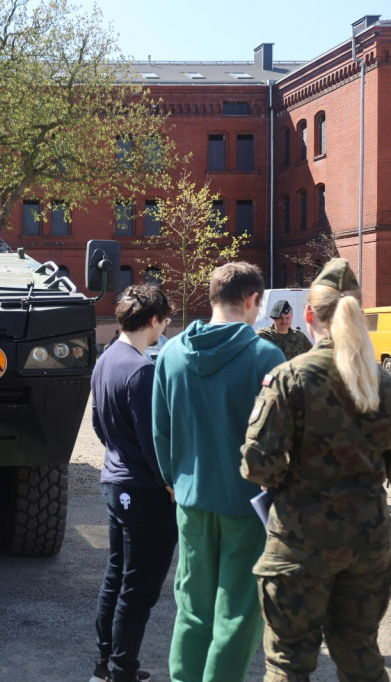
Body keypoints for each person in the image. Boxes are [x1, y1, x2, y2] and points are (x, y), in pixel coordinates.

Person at [241, 258, 391, 681]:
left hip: (300, 542)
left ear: (309, 315)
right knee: (362, 658)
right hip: (367, 541)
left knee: (288, 663)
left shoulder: (290, 378)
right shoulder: (381, 382)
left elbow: (257, 465)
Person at [152, 262, 285, 682]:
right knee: (239, 613)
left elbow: (161, 430)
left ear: (211, 297)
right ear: (251, 300)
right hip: (248, 505)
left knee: (192, 607)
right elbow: (281, 439)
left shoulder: (171, 353)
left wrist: (173, 481)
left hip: (190, 500)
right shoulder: (267, 356)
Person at [90, 285, 176, 682]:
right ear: (154, 320)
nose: (165, 327)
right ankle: (122, 670)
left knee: (118, 575)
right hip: (142, 491)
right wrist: (169, 483)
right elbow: (154, 441)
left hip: (116, 481)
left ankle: (106, 664)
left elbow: (98, 424)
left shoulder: (106, 358)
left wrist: (119, 453)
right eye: (165, 320)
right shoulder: (142, 370)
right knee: (139, 586)